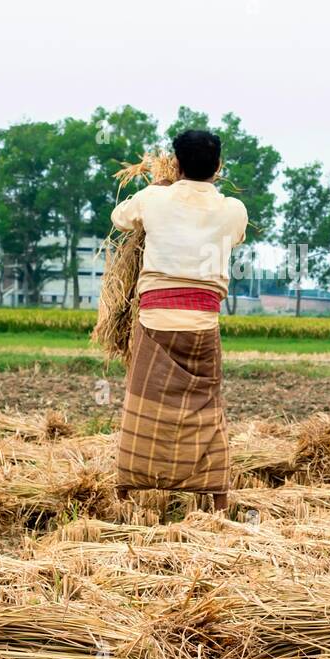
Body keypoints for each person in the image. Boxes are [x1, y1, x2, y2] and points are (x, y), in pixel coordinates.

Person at [110, 129, 248, 511]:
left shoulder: (153, 199)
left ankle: (127, 489)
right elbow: (234, 238)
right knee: (206, 407)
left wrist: (159, 189)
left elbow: (119, 219)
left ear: (177, 163)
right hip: (203, 323)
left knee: (143, 405)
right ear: (218, 167)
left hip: (155, 320)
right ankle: (217, 496)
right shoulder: (233, 210)